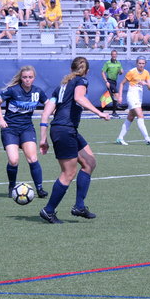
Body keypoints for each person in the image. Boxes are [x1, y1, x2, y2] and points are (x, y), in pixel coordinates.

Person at [38, 57, 111, 224]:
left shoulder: (61, 87)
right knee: (68, 173)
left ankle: (79, 206)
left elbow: (45, 114)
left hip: (65, 130)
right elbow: (79, 98)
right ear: (87, 71)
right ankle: (48, 210)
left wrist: (43, 138)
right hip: (65, 130)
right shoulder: (81, 81)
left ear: (71, 69)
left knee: (89, 163)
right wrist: (99, 113)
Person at [0, 66, 50, 199]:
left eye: (30, 77)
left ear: (34, 78)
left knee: (33, 158)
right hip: (10, 129)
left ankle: (40, 189)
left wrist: (51, 111)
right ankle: (12, 186)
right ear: (21, 78)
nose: (27, 80)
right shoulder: (13, 90)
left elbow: (48, 103)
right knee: (14, 160)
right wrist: (1, 119)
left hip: (27, 128)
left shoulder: (37, 92)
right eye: (25, 77)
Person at [115, 56, 150, 146]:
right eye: (139, 63)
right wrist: (120, 96)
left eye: (143, 63)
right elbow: (122, 83)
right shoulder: (132, 72)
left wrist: (145, 83)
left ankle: (120, 138)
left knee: (130, 117)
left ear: (145, 64)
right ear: (136, 63)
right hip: (132, 95)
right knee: (140, 115)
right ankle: (147, 139)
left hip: (139, 97)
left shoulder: (146, 73)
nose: (141, 65)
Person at [102, 49, 123, 118]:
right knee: (116, 95)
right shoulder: (107, 63)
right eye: (113, 54)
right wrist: (106, 81)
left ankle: (103, 106)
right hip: (109, 81)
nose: (114, 56)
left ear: (117, 55)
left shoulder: (118, 63)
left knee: (112, 97)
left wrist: (121, 72)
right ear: (111, 55)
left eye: (115, 54)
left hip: (114, 82)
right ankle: (114, 111)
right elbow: (103, 72)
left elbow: (120, 72)